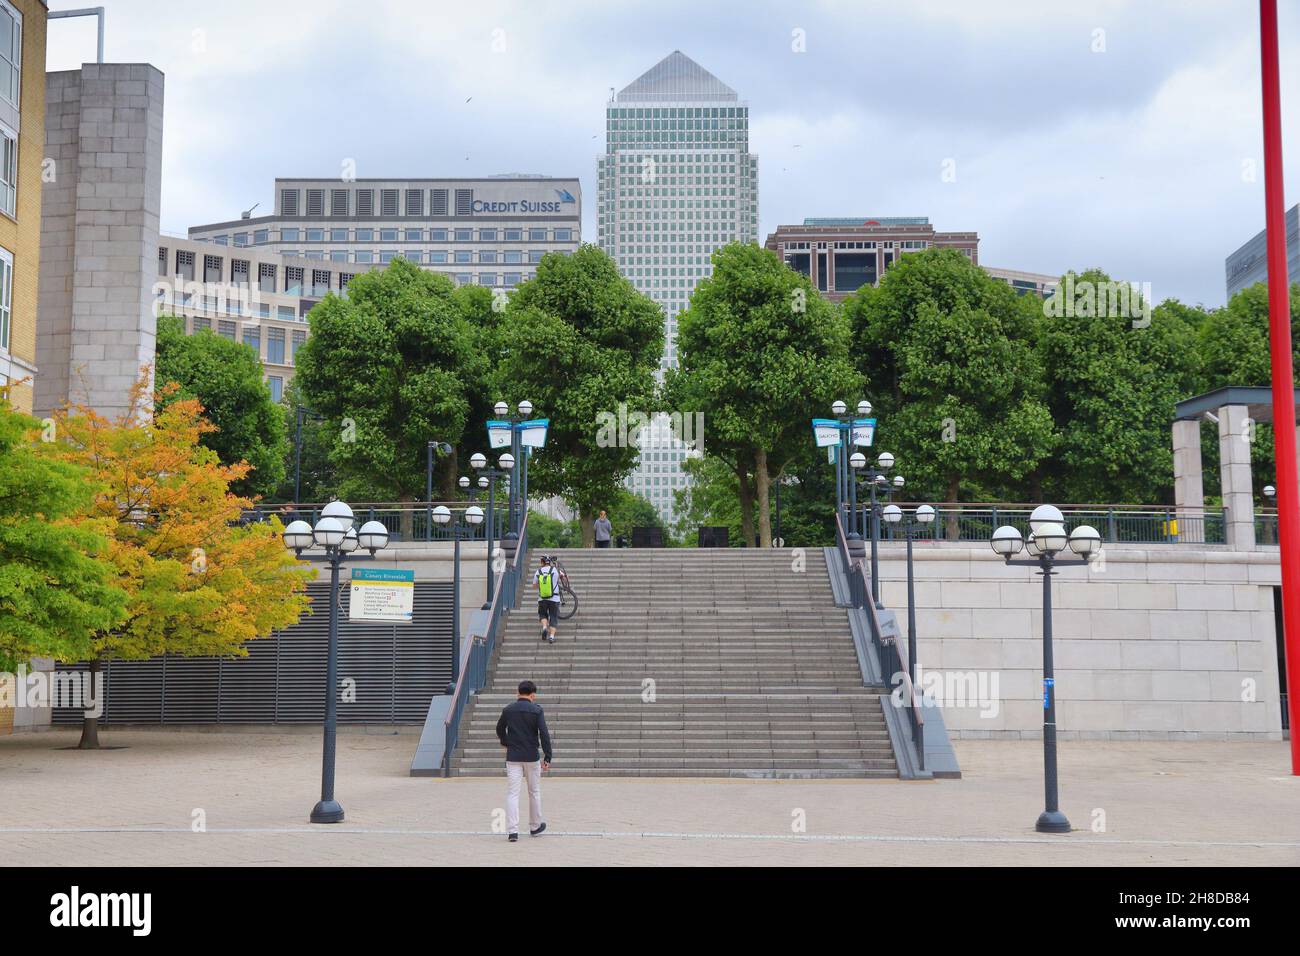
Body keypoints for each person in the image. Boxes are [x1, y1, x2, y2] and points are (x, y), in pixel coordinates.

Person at [495, 679, 552, 842]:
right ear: (533, 695)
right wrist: (547, 756)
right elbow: (544, 734)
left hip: (513, 757)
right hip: (531, 757)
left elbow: (499, 728)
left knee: (513, 793)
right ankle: (535, 826)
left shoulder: (508, 710)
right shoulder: (536, 710)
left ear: (518, 692)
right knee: (534, 792)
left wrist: (506, 742)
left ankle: (513, 831)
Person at [534, 554, 561, 643]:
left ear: (542, 562)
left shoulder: (538, 571)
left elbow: (534, 586)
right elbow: (561, 578)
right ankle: (552, 636)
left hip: (542, 599)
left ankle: (545, 627)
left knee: (542, 614)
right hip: (554, 599)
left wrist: (542, 584)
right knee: (553, 617)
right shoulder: (555, 570)